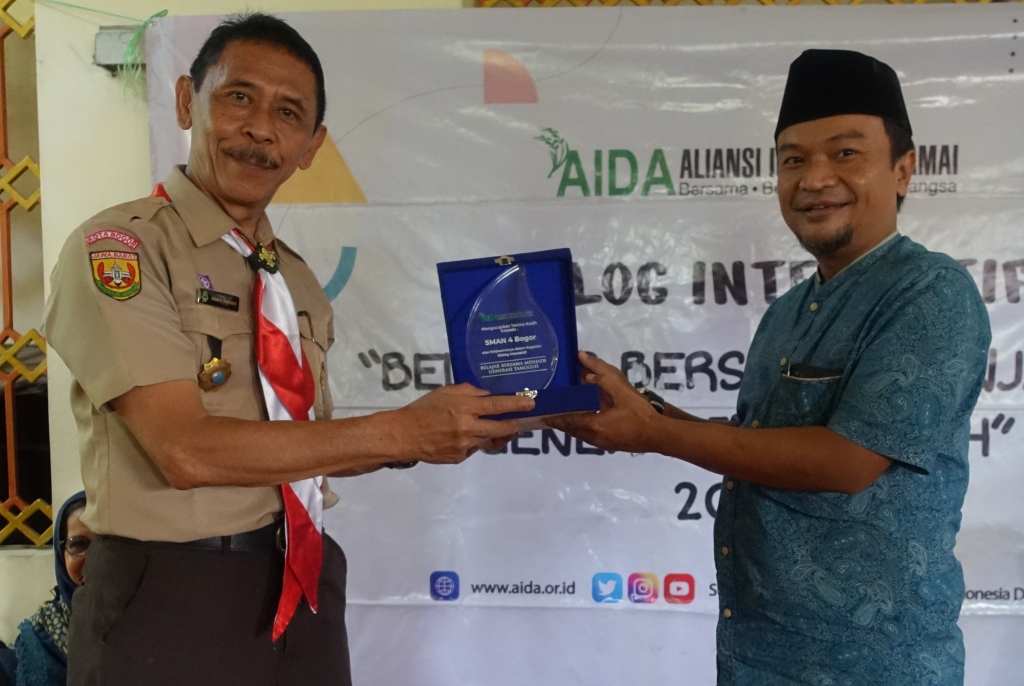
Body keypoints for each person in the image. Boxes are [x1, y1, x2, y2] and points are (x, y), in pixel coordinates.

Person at [42, 13, 532, 686]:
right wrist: (401, 430)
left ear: (311, 145)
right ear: (186, 101)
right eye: (239, 97)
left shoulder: (292, 278)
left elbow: (299, 451)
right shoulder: (123, 249)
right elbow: (184, 449)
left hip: (301, 585)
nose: (260, 129)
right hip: (172, 595)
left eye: (288, 113)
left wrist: (437, 433)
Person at [550, 49, 990, 686]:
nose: (814, 179)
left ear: (903, 169)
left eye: (845, 153)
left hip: (875, 664)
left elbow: (846, 462)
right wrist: (647, 411)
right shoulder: (788, 310)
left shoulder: (929, 291)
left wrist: (655, 434)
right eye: (793, 160)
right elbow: (761, 446)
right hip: (759, 653)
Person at [0, 492, 94, 686]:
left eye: (106, 545)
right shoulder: (41, 638)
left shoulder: (150, 627)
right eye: (78, 544)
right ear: (61, 554)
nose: (95, 558)